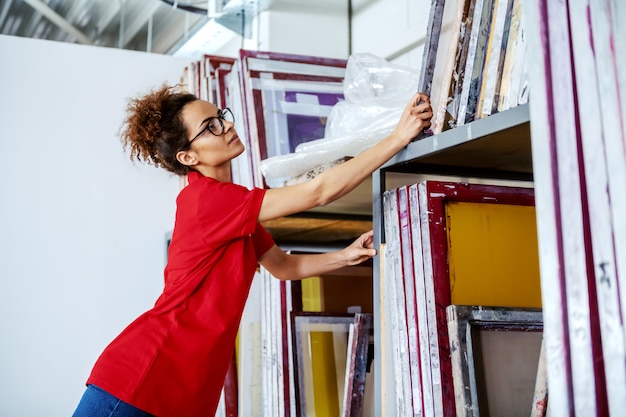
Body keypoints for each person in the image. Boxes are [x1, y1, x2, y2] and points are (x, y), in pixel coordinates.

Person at [72, 84, 432, 417]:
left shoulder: (233, 209)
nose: (226, 126)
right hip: (143, 377)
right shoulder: (206, 201)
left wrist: (345, 255)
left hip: (185, 389)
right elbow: (317, 192)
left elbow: (282, 266)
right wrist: (399, 137)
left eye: (221, 117)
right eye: (210, 127)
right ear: (187, 156)